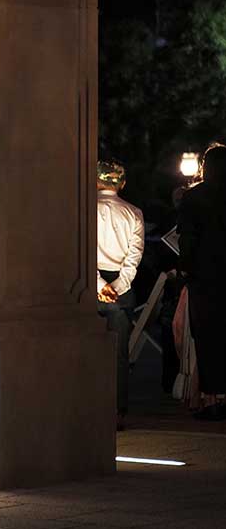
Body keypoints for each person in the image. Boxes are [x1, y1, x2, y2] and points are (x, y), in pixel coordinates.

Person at [177, 144, 226, 420]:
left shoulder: (194, 198)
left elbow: (188, 238)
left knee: (207, 337)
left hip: (205, 278)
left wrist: (185, 269)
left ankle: (212, 398)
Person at [96, 160, 144, 431]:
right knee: (119, 354)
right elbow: (134, 255)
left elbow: (82, 248)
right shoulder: (133, 213)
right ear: (122, 184)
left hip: (91, 284)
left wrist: (98, 283)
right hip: (121, 288)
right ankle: (117, 412)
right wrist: (119, 284)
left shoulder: (84, 210)